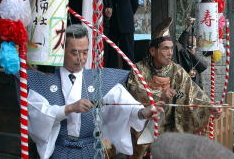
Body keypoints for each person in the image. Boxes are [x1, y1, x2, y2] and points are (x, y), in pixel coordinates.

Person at [24, 24, 163, 159]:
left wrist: (142, 112)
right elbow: (38, 114)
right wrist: (68, 108)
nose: (81, 58)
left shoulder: (99, 79)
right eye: (74, 52)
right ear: (62, 49)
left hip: (91, 150)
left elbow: (123, 104)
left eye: (85, 52)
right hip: (61, 150)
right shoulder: (45, 82)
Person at [127, 17, 222, 159]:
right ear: (153, 51)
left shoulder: (176, 70)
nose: (170, 53)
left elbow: (192, 92)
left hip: (169, 120)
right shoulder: (139, 69)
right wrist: (160, 94)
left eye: (171, 48)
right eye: (165, 48)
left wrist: (209, 106)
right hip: (144, 121)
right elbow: (135, 91)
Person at [104, 0, 138, 70]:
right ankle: (110, 83)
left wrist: (126, 16)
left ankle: (130, 84)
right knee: (110, 58)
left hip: (126, 26)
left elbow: (135, 3)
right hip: (110, 27)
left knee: (128, 58)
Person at [173, 18, 208, 88]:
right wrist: (188, 27)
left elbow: (204, 65)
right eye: (190, 37)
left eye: (194, 37)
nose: (193, 39)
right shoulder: (183, 51)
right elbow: (181, 42)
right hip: (184, 81)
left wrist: (193, 54)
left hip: (196, 82)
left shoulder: (198, 51)